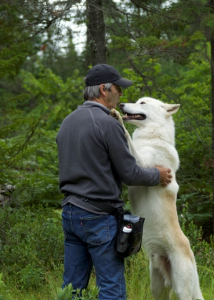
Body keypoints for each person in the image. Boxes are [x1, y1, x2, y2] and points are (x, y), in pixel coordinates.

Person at [56, 64, 172, 299]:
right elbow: (130, 174)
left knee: (72, 289)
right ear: (103, 89)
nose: (121, 93)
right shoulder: (109, 124)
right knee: (112, 289)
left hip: (70, 213)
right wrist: (157, 176)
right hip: (99, 217)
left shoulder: (67, 122)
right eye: (118, 88)